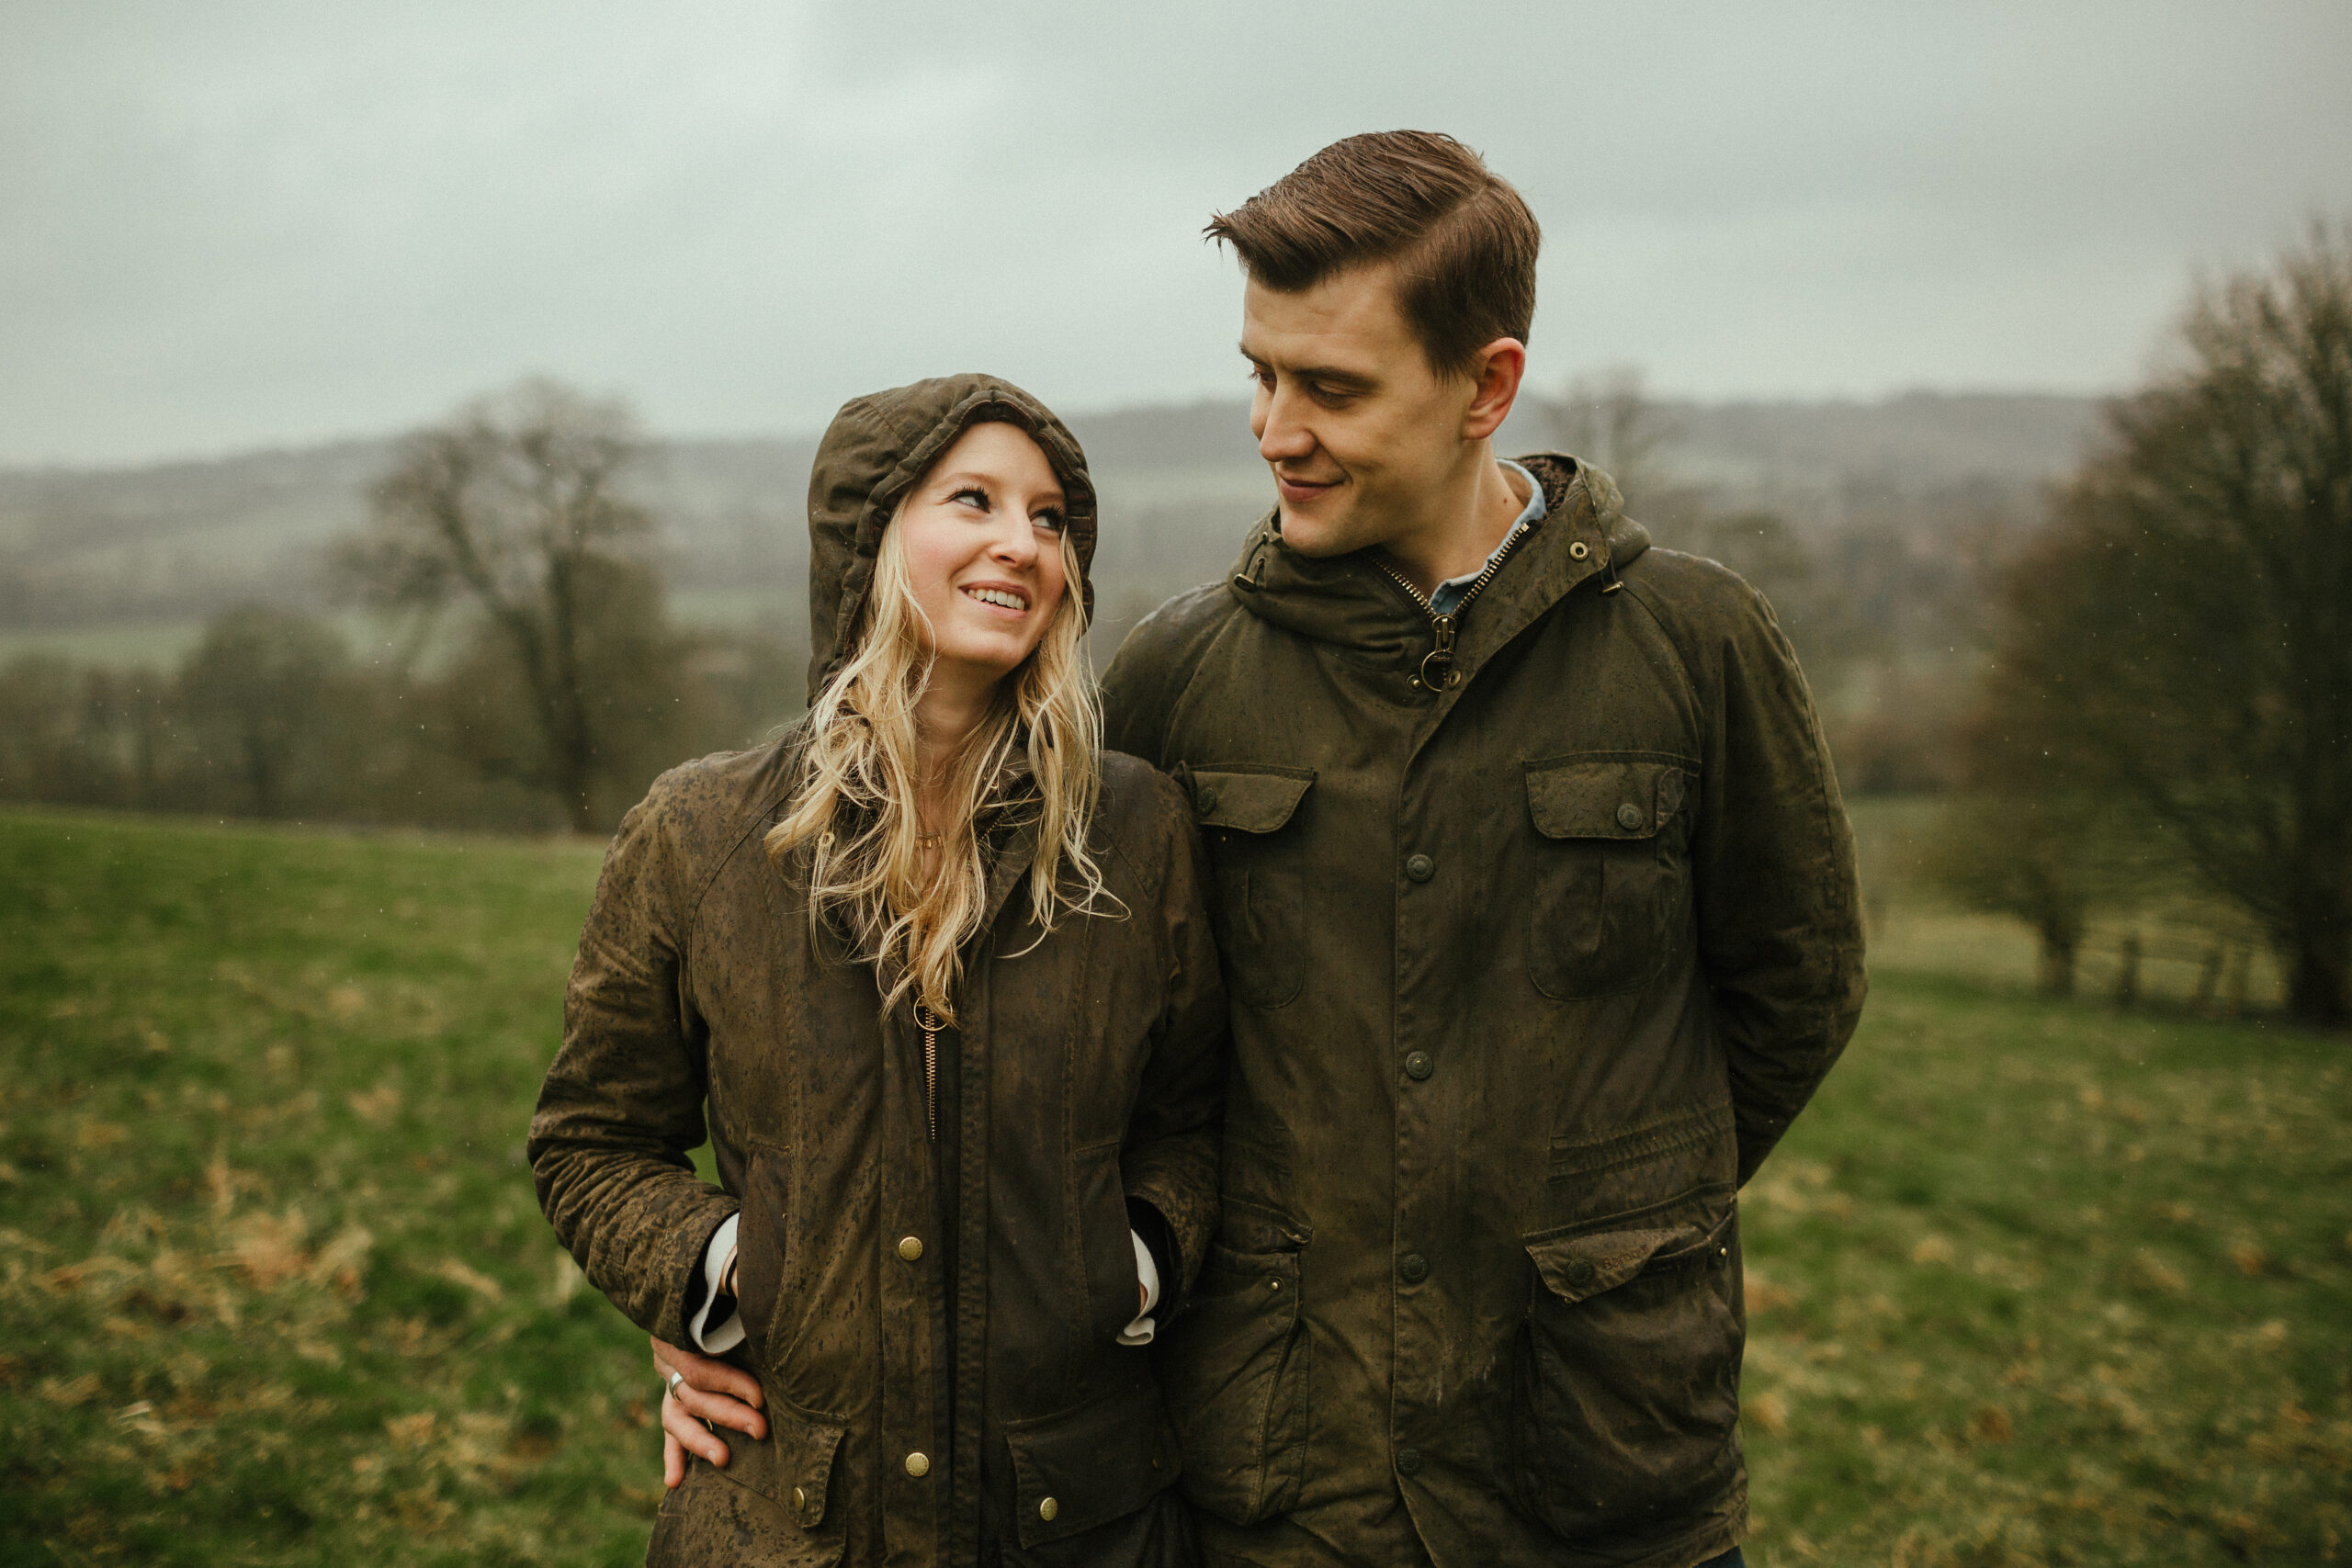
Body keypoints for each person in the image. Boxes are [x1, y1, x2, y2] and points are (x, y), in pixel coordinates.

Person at [666, 133, 1869, 1567]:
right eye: (1262, 373)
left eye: (1333, 388)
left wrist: (1607, 1247)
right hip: (1282, 1494)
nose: (1275, 429)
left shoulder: (1696, 645)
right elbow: (982, 1064)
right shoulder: (1179, 681)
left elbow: (1795, 988)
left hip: (1613, 1481)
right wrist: (760, 1331)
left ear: (1486, 386)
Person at [531, 374, 1227, 1567]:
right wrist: (727, 1273)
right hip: (790, 1523)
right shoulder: (701, 837)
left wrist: (1135, 1266)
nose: (1024, 541)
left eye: (1052, 518)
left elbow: (1200, 1116)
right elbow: (588, 1139)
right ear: (868, 536)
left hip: (1079, 1524)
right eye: (975, 500)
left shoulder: (1135, 828)